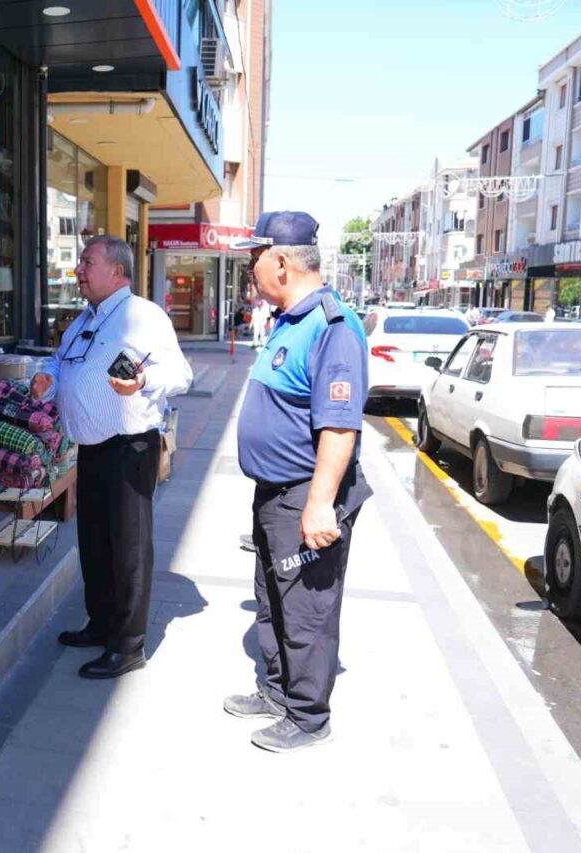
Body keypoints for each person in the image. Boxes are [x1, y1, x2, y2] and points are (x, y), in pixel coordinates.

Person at [224, 211, 372, 753]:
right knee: (271, 597)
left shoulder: (331, 326)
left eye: (254, 258)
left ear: (281, 262)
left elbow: (339, 426)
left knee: (306, 607)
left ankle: (308, 716)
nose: (250, 269)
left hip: (304, 495)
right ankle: (276, 691)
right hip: (274, 493)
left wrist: (319, 506)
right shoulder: (290, 319)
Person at [31, 235, 192, 679]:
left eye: (87, 262)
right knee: (95, 544)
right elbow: (60, 362)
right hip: (92, 447)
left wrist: (141, 384)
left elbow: (180, 374)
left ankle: (128, 644)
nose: (78, 270)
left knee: (128, 548)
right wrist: (47, 378)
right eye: (80, 262)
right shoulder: (84, 318)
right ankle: (101, 623)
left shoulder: (143, 316)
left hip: (129, 447)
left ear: (117, 271)